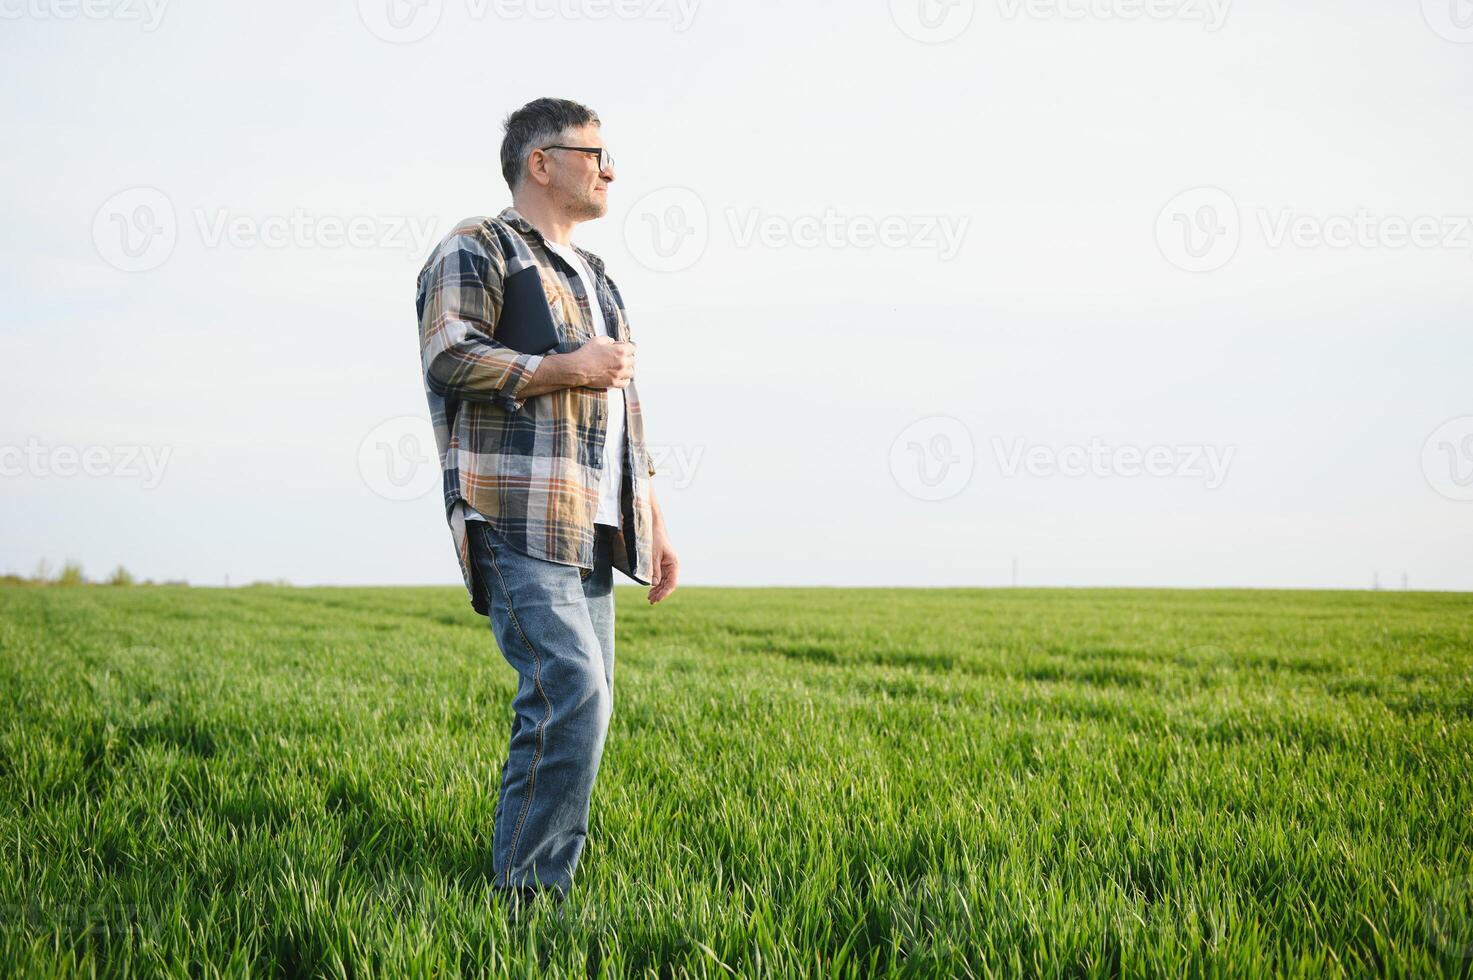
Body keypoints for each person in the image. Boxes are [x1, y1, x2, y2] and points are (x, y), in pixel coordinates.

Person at [415, 97, 680, 912]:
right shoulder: (479, 244)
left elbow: (624, 412)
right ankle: (528, 899)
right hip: (516, 510)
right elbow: (448, 353)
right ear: (541, 161)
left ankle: (537, 882)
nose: (609, 169)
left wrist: (654, 524)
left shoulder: (597, 277)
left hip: (593, 522)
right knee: (572, 690)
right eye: (594, 153)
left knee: (581, 703)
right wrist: (566, 367)